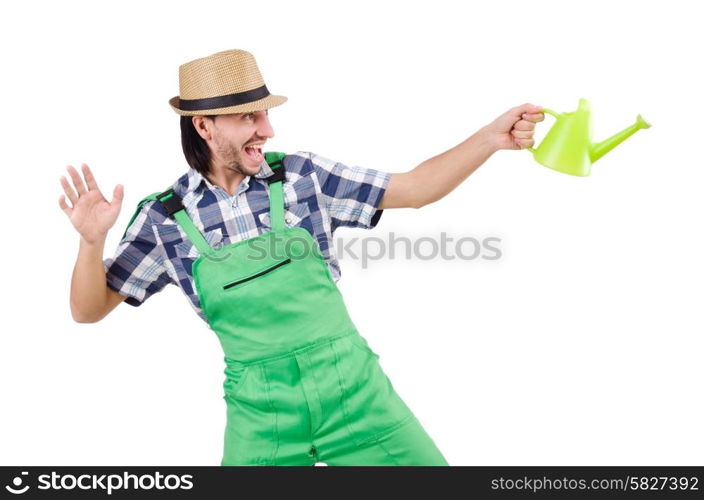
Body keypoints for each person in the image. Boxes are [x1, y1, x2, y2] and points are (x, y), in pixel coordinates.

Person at [59, 49, 543, 466]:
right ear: (204, 125)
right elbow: (88, 309)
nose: (267, 129)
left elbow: (415, 188)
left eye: (264, 114)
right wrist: (90, 243)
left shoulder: (302, 177)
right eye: (249, 116)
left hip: (356, 396)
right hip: (261, 416)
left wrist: (489, 139)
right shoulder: (165, 217)